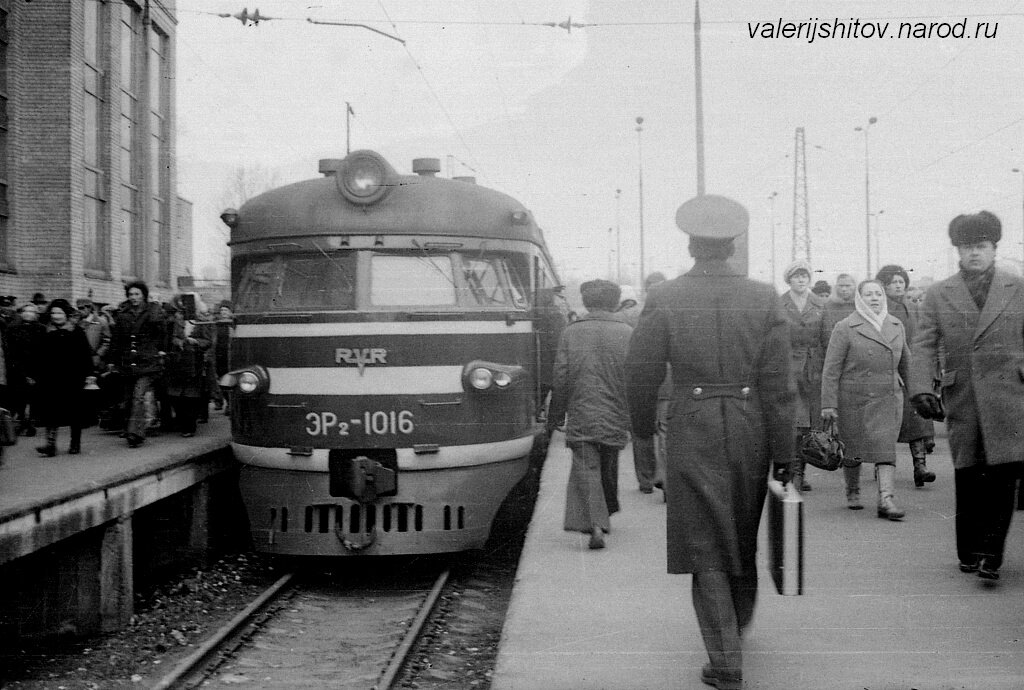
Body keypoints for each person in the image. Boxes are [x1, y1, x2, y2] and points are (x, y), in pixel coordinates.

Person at [626, 195, 794, 690]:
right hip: (751, 425)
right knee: (741, 530)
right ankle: (735, 627)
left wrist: (640, 431)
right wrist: (785, 454)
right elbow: (781, 385)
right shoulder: (766, 297)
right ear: (732, 246)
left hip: (692, 426)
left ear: (691, 245)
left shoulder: (665, 296)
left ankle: (725, 660)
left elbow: (641, 373)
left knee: (705, 541)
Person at [910, 211, 1024, 581]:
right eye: (967, 246)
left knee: (1003, 474)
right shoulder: (939, 293)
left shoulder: (1016, 288)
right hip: (965, 396)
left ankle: (992, 553)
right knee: (969, 473)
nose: (974, 253)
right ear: (956, 250)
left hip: (1009, 394)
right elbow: (924, 343)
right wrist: (921, 387)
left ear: (994, 248)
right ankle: (969, 550)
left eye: (982, 246)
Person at [547, 279, 632, 550]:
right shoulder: (628, 332)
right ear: (615, 302)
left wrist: (556, 413)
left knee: (587, 466)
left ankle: (596, 523)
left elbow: (560, 376)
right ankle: (603, 515)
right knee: (608, 463)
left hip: (583, 410)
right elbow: (636, 377)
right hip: (616, 411)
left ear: (586, 302)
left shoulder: (571, 332)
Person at [820, 280, 910, 517]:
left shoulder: (895, 324)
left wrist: (920, 393)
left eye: (878, 294)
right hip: (854, 398)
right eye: (868, 294)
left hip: (888, 396)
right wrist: (828, 404)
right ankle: (853, 491)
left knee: (886, 448)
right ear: (860, 299)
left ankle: (886, 500)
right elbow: (831, 369)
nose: (874, 298)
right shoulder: (845, 327)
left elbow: (907, 364)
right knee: (853, 450)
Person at [876, 264, 937, 487]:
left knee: (919, 419)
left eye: (902, 281)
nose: (899, 285)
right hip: (890, 372)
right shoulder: (880, 309)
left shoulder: (912, 307)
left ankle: (920, 467)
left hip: (911, 370)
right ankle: (881, 466)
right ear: (884, 285)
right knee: (887, 424)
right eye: (894, 282)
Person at [780, 259, 829, 492]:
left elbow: (827, 338)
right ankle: (794, 473)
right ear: (789, 279)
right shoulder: (780, 303)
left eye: (804, 276)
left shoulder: (820, 303)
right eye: (796, 276)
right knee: (794, 421)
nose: (801, 280)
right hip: (789, 366)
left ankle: (802, 471)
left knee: (810, 422)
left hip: (814, 366)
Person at [108, 281, 168, 448]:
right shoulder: (123, 315)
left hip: (148, 363)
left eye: (137, 294)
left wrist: (161, 350)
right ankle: (132, 430)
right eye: (131, 295)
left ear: (143, 295)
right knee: (128, 398)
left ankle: (135, 434)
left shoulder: (152, 311)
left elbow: (162, 332)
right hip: (128, 363)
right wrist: (112, 361)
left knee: (138, 396)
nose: (133, 298)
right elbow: (116, 340)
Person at [33, 299, 93, 456]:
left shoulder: (76, 331)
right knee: (51, 410)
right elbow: (38, 355)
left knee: (75, 411)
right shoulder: (45, 331)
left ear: (66, 314)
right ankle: (50, 445)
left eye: (59, 313)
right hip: (51, 378)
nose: (56, 316)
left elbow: (86, 354)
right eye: (53, 313)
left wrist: (89, 374)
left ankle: (75, 443)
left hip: (73, 377)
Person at [164, 295, 212, 437]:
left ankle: (189, 426)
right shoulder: (177, 321)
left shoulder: (201, 322)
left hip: (194, 362)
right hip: (178, 362)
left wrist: (195, 342)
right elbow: (172, 337)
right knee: (176, 394)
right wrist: (179, 342)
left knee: (191, 395)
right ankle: (181, 421)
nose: (185, 308)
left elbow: (208, 341)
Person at [7, 303, 46, 436]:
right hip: (18, 367)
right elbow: (10, 350)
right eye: (26, 311)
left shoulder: (41, 329)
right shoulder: (13, 329)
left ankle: (30, 422)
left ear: (36, 315)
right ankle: (23, 420)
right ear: (21, 313)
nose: (29, 314)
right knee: (19, 397)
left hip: (36, 368)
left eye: (32, 312)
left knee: (34, 397)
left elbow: (43, 352)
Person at [76, 298, 111, 372]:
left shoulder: (101, 322)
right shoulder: (77, 322)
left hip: (96, 360)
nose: (80, 311)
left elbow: (107, 341)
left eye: (82, 308)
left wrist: (98, 354)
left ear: (89, 308)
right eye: (78, 308)